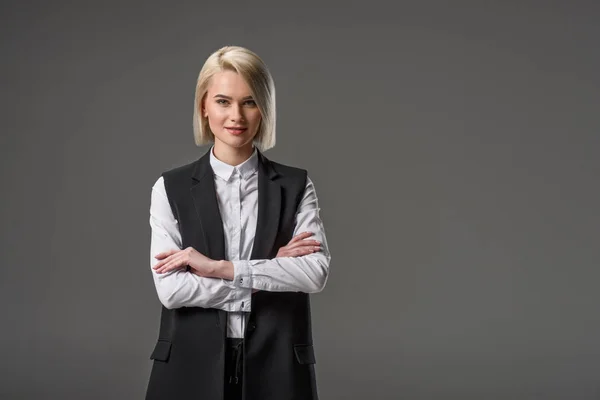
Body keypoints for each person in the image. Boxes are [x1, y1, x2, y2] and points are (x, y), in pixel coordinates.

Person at [145, 45, 331, 400]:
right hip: (188, 364)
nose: (237, 116)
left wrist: (220, 268)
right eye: (223, 101)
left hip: (278, 366)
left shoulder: (295, 185)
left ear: (264, 109)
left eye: (249, 101)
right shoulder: (170, 187)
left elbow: (315, 272)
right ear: (204, 106)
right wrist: (272, 271)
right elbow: (172, 291)